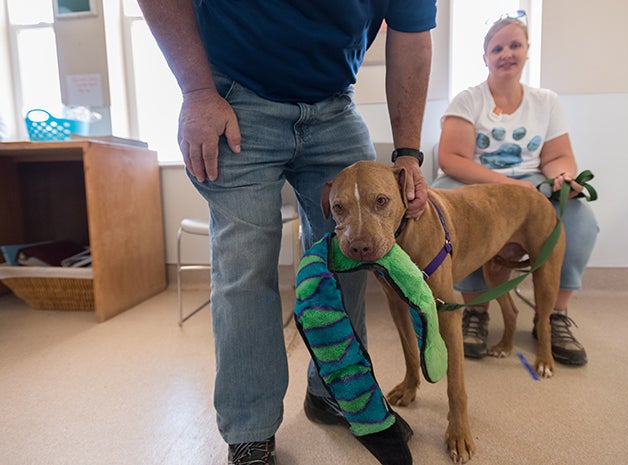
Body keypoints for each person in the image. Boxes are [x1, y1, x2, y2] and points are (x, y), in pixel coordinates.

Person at [136, 1, 436, 464]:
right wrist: (196, 90)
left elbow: (412, 34)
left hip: (335, 105)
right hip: (234, 98)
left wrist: (409, 153)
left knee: (354, 258)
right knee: (245, 268)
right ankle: (250, 431)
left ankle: (336, 392)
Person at [431, 16, 599, 367]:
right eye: (497, 48)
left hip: (532, 184)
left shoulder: (546, 101)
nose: (506, 53)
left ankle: (553, 315)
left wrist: (563, 177)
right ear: (485, 57)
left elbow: (558, 157)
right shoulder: (467, 100)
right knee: (449, 212)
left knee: (581, 220)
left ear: (526, 52)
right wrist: (508, 186)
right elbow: (451, 159)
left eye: (514, 46)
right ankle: (476, 310)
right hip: (475, 184)